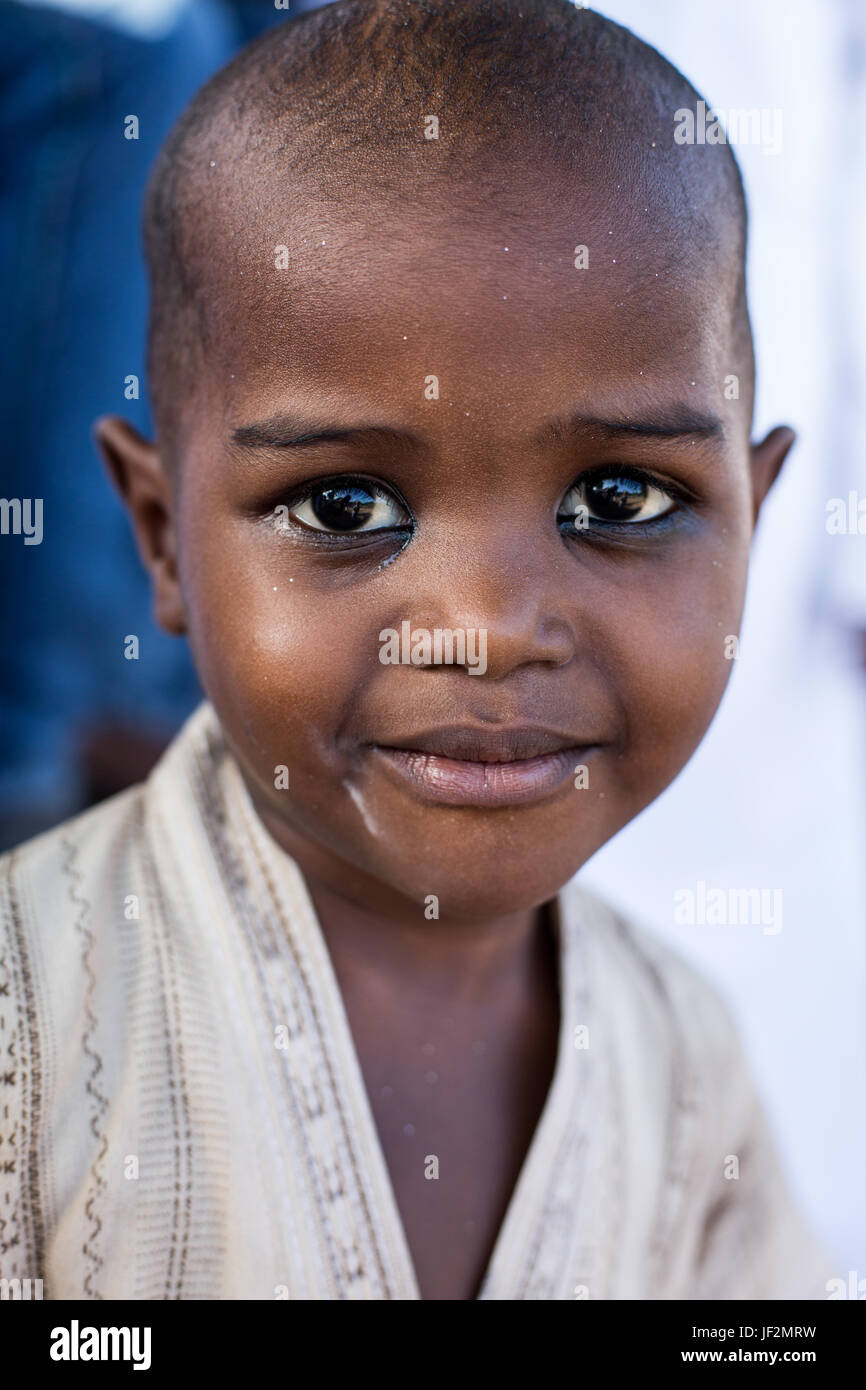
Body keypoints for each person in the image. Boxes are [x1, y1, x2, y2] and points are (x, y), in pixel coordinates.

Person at [0, 0, 834, 1300]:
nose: (489, 628)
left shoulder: (683, 1056)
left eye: (618, 501)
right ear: (162, 539)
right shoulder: (31, 1028)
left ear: (752, 518)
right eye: (344, 508)